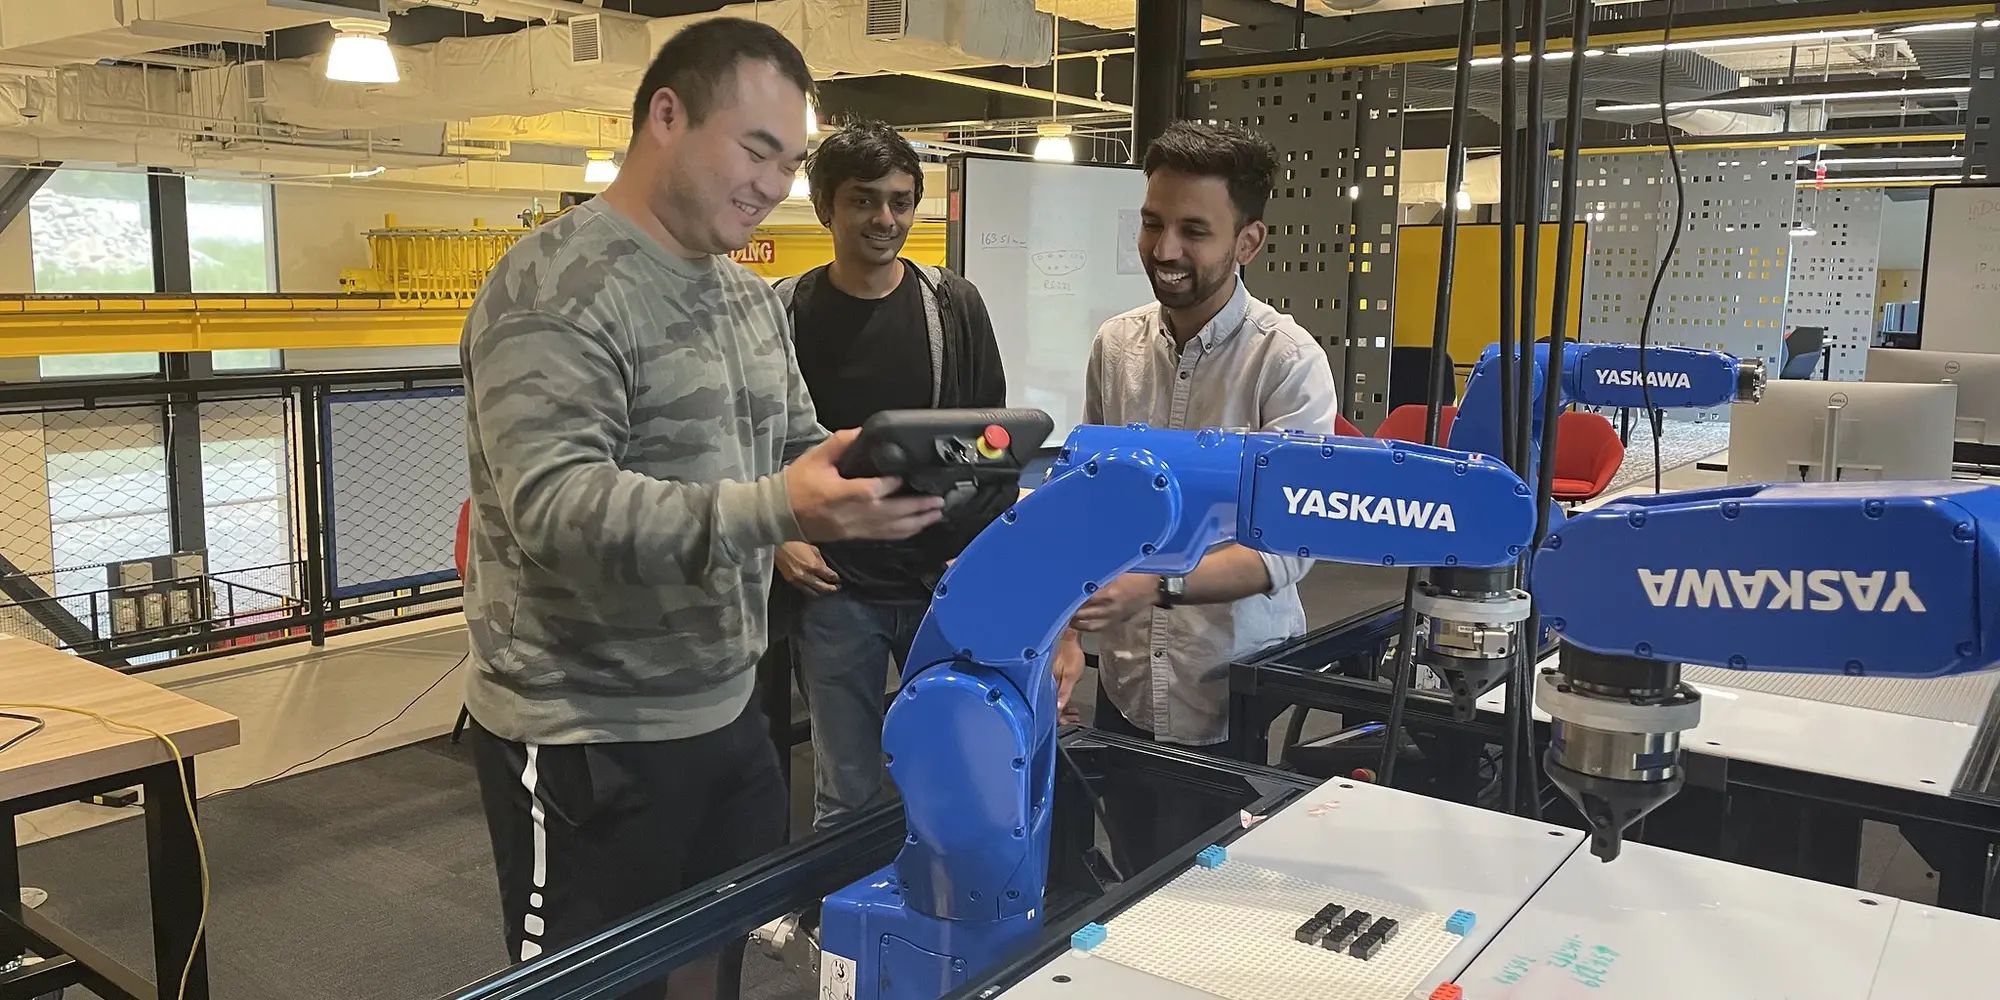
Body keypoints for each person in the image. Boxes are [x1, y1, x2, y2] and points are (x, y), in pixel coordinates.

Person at [458, 20, 944, 999]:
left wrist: (874, 474)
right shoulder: (554, 289)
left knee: (707, 971)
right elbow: (556, 509)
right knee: (594, 987)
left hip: (726, 713)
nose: (772, 182)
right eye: (754, 149)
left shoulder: (744, 298)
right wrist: (777, 506)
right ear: (666, 118)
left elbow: (795, 436)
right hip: (585, 732)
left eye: (788, 160)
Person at [1052, 120, 1343, 753]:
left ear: (1248, 241)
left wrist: (1156, 586)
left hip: (1238, 688)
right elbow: (1088, 502)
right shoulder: (1116, 346)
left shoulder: (1287, 362)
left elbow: (1288, 550)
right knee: (1133, 850)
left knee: (1230, 854)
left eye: (1194, 231)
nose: (1163, 249)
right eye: (1153, 223)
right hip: (1126, 678)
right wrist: (1067, 634)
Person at [770, 120, 1007, 830]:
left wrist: (975, 542)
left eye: (901, 201)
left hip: (939, 578)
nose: (886, 219)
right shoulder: (781, 313)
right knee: (847, 790)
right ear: (826, 209)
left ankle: (944, 923)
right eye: (865, 201)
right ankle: (844, 932)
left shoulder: (952, 306)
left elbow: (993, 445)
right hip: (834, 589)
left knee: (957, 768)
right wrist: (776, 535)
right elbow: (747, 448)